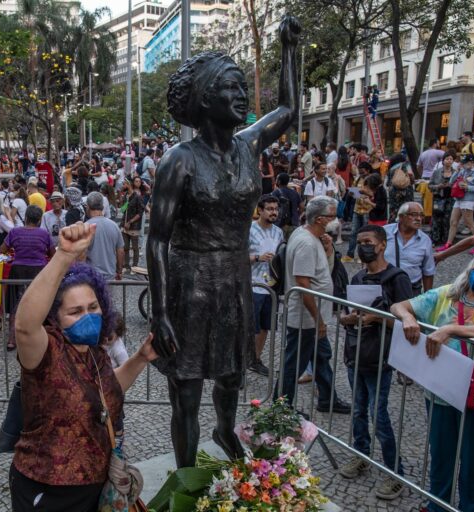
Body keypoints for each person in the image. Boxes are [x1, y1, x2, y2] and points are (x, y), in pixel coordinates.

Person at [148, 18, 303, 467]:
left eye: (242, 88)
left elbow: (288, 109)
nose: (241, 96)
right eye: (231, 88)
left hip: (234, 277)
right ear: (204, 99)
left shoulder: (249, 145)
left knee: (232, 376)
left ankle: (225, 430)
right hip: (190, 281)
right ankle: (186, 471)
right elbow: (157, 240)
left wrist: (289, 49)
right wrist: (160, 312)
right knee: (187, 388)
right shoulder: (179, 161)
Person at [9, 222, 157, 511]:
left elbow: (106, 389)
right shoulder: (45, 351)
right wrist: (63, 256)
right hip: (48, 491)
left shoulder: (94, 351)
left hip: (96, 486)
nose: (87, 316)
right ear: (55, 317)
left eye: (93, 307)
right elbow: (24, 327)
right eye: (75, 311)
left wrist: (140, 358)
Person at [391, 244, 474, 512]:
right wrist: (407, 318)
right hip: (442, 390)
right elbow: (399, 306)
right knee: (441, 455)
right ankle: (437, 506)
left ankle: (470, 508)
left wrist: (451, 329)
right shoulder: (447, 293)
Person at [338, 224, 412, 499]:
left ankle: (395, 472)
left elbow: (409, 320)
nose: (363, 247)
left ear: (382, 245)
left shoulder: (397, 278)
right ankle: (361, 455)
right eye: (359, 242)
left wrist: (377, 318)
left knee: (378, 414)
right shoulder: (357, 277)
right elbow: (347, 312)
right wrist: (347, 318)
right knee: (358, 410)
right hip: (356, 352)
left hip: (381, 356)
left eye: (368, 242)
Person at [275, 196, 351, 413]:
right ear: (319, 219)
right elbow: (303, 284)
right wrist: (318, 320)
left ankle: (328, 399)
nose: (336, 220)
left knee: (321, 357)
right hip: (306, 319)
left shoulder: (311, 236)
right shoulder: (306, 243)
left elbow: (320, 272)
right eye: (332, 216)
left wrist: (328, 249)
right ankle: (281, 407)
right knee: (294, 364)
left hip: (314, 317)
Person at [0, 205, 55, 351]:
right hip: (38, 271)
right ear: (39, 220)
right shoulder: (44, 234)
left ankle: (12, 339)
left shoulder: (14, 232)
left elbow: (2, 249)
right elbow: (52, 254)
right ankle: (41, 336)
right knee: (40, 303)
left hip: (17, 270)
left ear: (25, 218)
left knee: (15, 305)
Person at [248, 195, 283, 376]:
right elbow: (237, 257)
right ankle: (241, 364)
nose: (273, 212)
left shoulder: (279, 232)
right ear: (260, 210)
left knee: (264, 326)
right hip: (252, 285)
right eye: (269, 209)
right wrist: (257, 258)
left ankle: (255, 359)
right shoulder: (249, 230)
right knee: (249, 328)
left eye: (275, 209)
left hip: (271, 286)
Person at [435, 154, 474, 252]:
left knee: (469, 223)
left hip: (468, 200)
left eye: (467, 162)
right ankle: (448, 243)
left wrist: (468, 187)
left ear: (473, 163)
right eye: (464, 163)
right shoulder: (462, 171)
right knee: (453, 222)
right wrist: (457, 171)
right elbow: (451, 181)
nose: (465, 164)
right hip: (458, 198)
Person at [383, 202, 435, 297]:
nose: (419, 219)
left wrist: (428, 297)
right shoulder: (385, 232)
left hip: (411, 289)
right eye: (414, 215)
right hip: (385, 287)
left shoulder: (425, 240)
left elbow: (428, 271)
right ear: (401, 217)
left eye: (421, 215)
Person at [85, 192, 124, 282]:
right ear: (102, 206)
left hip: (91, 276)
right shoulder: (114, 225)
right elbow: (120, 251)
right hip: (110, 276)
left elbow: (82, 254)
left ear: (88, 207)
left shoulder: (86, 227)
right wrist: (119, 271)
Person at [342, 162, 373, 262]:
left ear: (368, 170)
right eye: (360, 171)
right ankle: (350, 255)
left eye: (362, 171)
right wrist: (353, 192)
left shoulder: (372, 180)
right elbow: (353, 191)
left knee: (365, 234)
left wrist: (363, 192)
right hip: (357, 209)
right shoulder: (358, 179)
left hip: (367, 210)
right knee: (353, 233)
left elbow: (374, 194)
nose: (361, 173)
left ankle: (362, 256)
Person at [428, 151, 458, 247]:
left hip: (450, 199)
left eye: (451, 159)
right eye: (447, 159)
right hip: (438, 198)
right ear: (443, 160)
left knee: (448, 219)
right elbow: (430, 185)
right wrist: (438, 186)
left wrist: (452, 186)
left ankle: (446, 239)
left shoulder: (456, 173)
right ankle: (434, 239)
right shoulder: (437, 172)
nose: (449, 161)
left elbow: (459, 185)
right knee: (436, 219)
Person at [120, 178, 143, 273]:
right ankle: (126, 265)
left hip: (133, 226)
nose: (123, 185)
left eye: (124, 184)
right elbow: (122, 210)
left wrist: (130, 222)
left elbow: (140, 213)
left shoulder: (137, 197)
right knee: (125, 247)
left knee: (134, 247)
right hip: (124, 225)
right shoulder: (125, 196)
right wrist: (122, 200)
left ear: (129, 184)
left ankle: (135, 266)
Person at [386, 154, 415, 224]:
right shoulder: (406, 165)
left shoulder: (391, 168)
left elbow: (388, 183)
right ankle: (404, 225)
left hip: (393, 193)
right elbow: (411, 174)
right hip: (405, 192)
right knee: (406, 210)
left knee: (394, 211)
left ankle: (393, 226)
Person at [271, 172, 302, 237]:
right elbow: (302, 206)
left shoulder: (276, 192)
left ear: (279, 181)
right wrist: (297, 214)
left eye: (276, 179)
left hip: (280, 224)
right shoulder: (294, 192)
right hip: (294, 223)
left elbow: (271, 206)